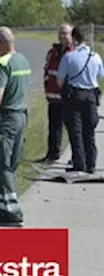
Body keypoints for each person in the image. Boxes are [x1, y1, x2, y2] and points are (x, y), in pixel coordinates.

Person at [0, 27, 31, 226]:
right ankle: (3, 207)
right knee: (11, 162)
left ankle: (13, 211)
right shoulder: (22, 60)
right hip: (21, 115)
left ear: (2, 42)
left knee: (0, 163)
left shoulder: (2, 64)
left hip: (6, 118)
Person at [56, 26, 103, 174]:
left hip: (74, 95)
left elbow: (60, 80)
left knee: (75, 131)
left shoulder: (69, 57)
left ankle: (79, 163)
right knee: (89, 131)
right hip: (91, 95)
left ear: (74, 38)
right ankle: (91, 164)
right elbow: (100, 75)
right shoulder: (95, 56)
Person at [38, 24, 74, 164]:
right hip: (53, 98)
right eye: (61, 33)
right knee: (54, 128)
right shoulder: (52, 52)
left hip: (69, 99)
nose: (63, 36)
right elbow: (47, 71)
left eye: (66, 33)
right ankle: (52, 155)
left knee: (73, 129)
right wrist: (46, 89)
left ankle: (76, 157)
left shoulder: (74, 53)